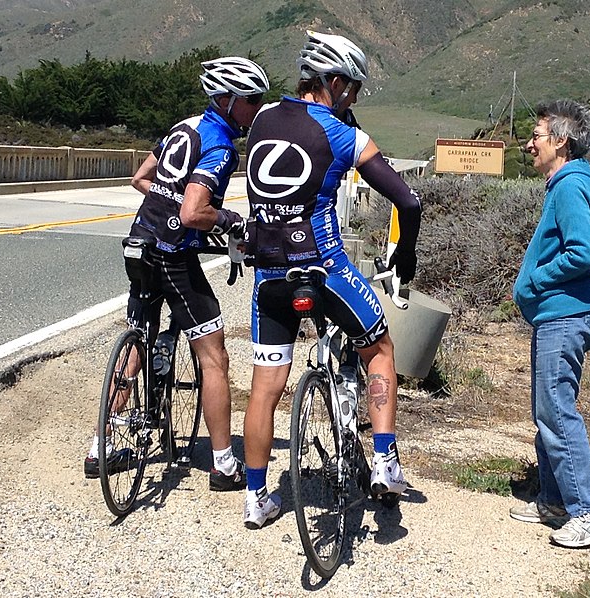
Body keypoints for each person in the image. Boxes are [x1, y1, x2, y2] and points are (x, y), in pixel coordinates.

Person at [239, 30, 421, 529]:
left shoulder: (259, 123)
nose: (356, 98)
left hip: (269, 275)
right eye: (354, 89)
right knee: (379, 348)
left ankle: (256, 499)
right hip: (323, 269)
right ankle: (385, 460)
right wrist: (405, 256)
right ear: (336, 83)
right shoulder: (345, 135)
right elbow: (407, 201)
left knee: (264, 389)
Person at [83, 57, 270, 493]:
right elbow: (193, 212)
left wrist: (169, 203)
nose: (256, 110)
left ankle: (101, 445)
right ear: (225, 100)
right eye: (250, 101)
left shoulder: (182, 127)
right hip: (173, 257)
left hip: (139, 243)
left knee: (136, 342)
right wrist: (228, 220)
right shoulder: (221, 146)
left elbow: (141, 179)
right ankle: (223, 464)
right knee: (214, 354)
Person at [508, 99, 590, 548]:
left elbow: (583, 252)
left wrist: (536, 278)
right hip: (557, 313)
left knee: (556, 411)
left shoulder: (571, 186)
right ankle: (555, 500)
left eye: (537, 136)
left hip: (567, 312)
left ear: (561, 140)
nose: (530, 143)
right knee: (547, 409)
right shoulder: (564, 185)